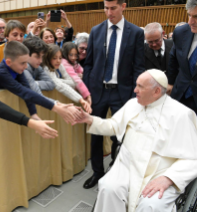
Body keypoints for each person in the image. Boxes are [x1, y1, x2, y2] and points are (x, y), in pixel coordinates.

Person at [75, 69, 197, 212]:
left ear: (156, 91)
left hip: (161, 172)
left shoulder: (182, 114)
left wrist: (169, 178)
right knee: (109, 189)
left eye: (140, 86)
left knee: (151, 205)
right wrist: (90, 120)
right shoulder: (133, 104)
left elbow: (194, 159)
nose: (135, 90)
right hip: (127, 166)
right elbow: (113, 125)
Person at [82, 0, 145, 189]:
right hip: (98, 91)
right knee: (95, 133)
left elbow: (138, 67)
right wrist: (87, 92)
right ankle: (97, 173)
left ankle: (117, 171)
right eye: (106, 8)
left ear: (123, 6)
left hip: (122, 92)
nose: (109, 13)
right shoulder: (96, 31)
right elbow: (89, 64)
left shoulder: (135, 33)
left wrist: (136, 97)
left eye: (113, 8)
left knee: (121, 135)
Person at [0, 41, 81, 122]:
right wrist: (56, 108)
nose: (26, 66)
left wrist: (33, 113)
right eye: (23, 63)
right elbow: (24, 92)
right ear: (8, 62)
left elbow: (27, 89)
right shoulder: (0, 73)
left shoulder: (18, 68)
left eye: (26, 62)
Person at [167, 0, 197, 143]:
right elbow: (173, 58)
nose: (190, 22)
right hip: (179, 97)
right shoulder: (181, 32)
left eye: (196, 16)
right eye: (189, 15)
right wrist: (170, 83)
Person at [43, 44, 92, 113]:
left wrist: (57, 80)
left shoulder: (60, 65)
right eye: (54, 58)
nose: (58, 61)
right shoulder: (46, 68)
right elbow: (60, 86)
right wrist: (80, 99)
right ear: (48, 57)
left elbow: (72, 83)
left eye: (60, 58)